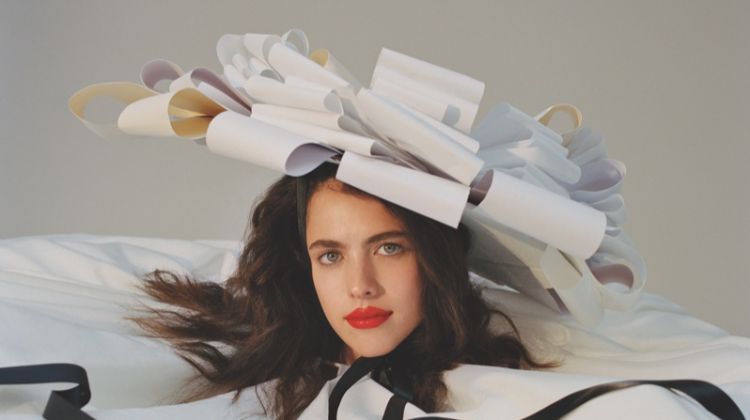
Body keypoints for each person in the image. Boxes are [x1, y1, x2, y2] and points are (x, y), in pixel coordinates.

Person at [131, 162, 550, 420]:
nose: (360, 287)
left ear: (433, 255)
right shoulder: (262, 377)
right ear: (305, 264)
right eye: (330, 256)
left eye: (389, 248)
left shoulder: (497, 386)